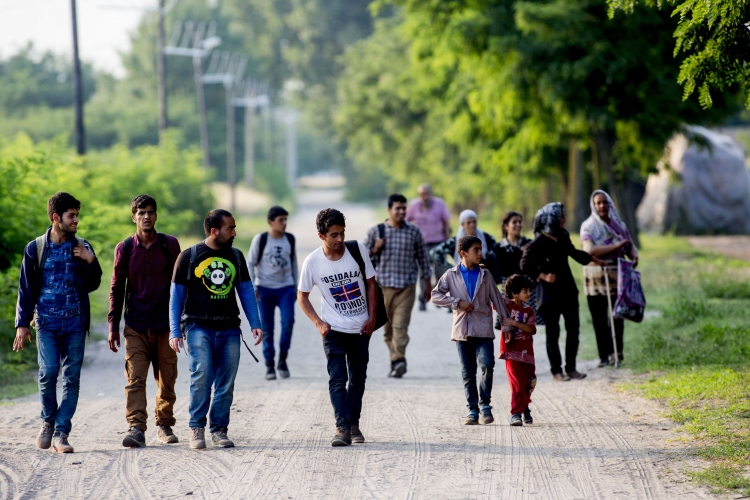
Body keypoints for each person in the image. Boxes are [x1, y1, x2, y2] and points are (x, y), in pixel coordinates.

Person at [14, 192, 103, 453]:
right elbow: (26, 288)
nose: (76, 220)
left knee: (72, 379)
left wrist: (90, 260)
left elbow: (93, 284)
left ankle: (62, 433)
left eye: (77, 215)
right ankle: (47, 423)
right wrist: (22, 323)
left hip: (75, 323)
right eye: (71, 216)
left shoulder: (83, 246)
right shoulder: (36, 248)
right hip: (46, 324)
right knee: (48, 373)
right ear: (56, 218)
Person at [168, 209, 263, 450]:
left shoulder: (237, 256)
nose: (234, 232)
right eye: (230, 228)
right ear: (214, 231)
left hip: (230, 327)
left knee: (226, 382)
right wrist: (174, 330)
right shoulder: (189, 256)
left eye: (234, 228)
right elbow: (176, 297)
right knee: (201, 376)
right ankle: (196, 427)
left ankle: (219, 429)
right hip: (198, 326)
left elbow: (246, 292)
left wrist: (256, 324)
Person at [297, 208, 378, 447]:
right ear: (321, 235)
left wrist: (372, 318)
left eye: (342, 233)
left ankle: (354, 424)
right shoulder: (313, 261)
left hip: (361, 328)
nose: (340, 239)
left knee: (358, 379)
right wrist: (319, 323)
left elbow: (371, 284)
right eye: (333, 235)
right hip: (333, 330)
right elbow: (302, 296)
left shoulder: (357, 250)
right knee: (337, 378)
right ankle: (342, 427)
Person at [108, 194, 182, 448]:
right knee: (135, 379)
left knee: (166, 378)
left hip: (165, 325)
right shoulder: (125, 248)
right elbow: (117, 287)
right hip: (136, 324)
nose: (146, 217)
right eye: (141, 213)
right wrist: (112, 326)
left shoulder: (169, 245)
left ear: (156, 216)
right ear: (133, 217)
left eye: (150, 212)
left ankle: (164, 424)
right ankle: (136, 427)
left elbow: (180, 285)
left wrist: (182, 323)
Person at [520, 203, 605, 381]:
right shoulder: (538, 243)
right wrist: (542, 275)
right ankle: (556, 371)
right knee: (553, 332)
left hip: (568, 291)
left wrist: (595, 260)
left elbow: (575, 254)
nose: (564, 220)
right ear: (551, 220)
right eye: (560, 217)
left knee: (573, 330)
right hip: (550, 295)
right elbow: (524, 265)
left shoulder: (563, 236)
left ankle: (571, 368)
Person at [431, 236, 510, 426]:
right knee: (468, 373)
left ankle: (485, 405)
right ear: (463, 253)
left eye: (481, 249)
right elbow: (435, 295)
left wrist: (506, 325)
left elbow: (498, 301)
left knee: (487, 365)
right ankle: (472, 410)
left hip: (483, 328)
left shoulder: (485, 274)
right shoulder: (451, 275)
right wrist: (456, 303)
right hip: (462, 330)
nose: (480, 253)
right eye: (476, 250)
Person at [364, 193, 431, 378]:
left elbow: (423, 259)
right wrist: (375, 249)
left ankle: (399, 360)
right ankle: (395, 360)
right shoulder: (376, 232)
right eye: (398, 208)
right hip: (382, 288)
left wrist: (428, 284)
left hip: (406, 288)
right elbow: (361, 261)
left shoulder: (413, 231)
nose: (401, 212)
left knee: (400, 326)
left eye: (404, 208)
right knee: (387, 331)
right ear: (389, 210)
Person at [580, 190, 639, 367]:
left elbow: (629, 245)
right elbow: (589, 250)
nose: (602, 206)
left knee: (617, 315)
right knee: (599, 318)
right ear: (593, 205)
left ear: (610, 204)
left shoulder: (619, 225)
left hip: (617, 276)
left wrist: (634, 255)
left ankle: (617, 352)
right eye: (598, 203)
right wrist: (617, 246)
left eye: (605, 202)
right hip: (595, 277)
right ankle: (603, 356)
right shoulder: (588, 226)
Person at [248, 205, 298, 380]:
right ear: (271, 222)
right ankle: (269, 365)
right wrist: (253, 286)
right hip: (265, 290)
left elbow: (293, 264)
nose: (284, 223)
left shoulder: (290, 239)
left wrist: (296, 287)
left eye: (286, 220)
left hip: (286, 288)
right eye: (280, 220)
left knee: (288, 323)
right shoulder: (260, 240)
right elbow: (250, 263)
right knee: (267, 328)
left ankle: (282, 360)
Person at [499, 274, 537, 426]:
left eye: (529, 290)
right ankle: (515, 413)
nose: (529, 294)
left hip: (527, 354)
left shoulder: (529, 311)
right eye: (525, 291)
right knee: (517, 383)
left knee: (530, 382)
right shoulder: (506, 306)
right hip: (511, 353)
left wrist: (514, 323)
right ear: (514, 293)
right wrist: (484, 275)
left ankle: (525, 406)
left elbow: (531, 329)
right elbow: (492, 297)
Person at [405, 184, 451, 311]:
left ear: (431, 193)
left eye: (427, 194)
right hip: (421, 244)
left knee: (440, 273)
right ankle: (422, 300)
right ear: (419, 195)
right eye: (422, 194)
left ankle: (436, 296)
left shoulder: (440, 204)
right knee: (424, 273)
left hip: (438, 243)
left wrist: (448, 239)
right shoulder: (414, 205)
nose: (425, 197)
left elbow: (446, 222)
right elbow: (406, 221)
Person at [430, 209, 501, 283]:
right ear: (462, 225)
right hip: (463, 279)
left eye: (474, 222)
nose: (472, 225)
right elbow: (434, 252)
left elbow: (498, 250)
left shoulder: (485, 237)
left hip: (483, 278)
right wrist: (450, 268)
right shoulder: (455, 242)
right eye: (469, 223)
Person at [494, 211, 538, 329]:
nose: (518, 224)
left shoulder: (528, 243)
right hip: (509, 290)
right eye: (514, 222)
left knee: (526, 326)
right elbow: (504, 270)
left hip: (526, 291)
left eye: (520, 222)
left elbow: (531, 266)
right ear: (506, 226)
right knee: (509, 326)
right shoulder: (500, 247)